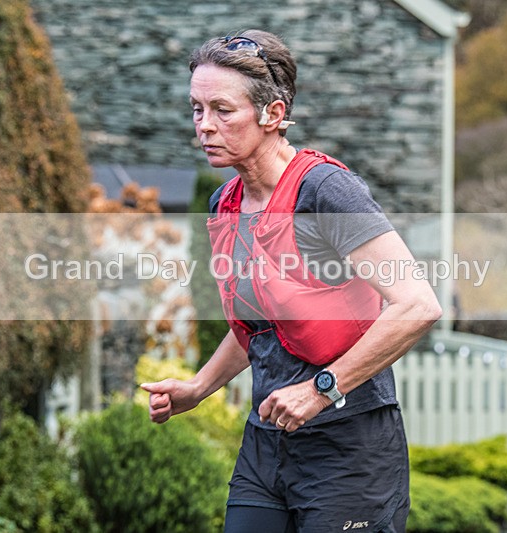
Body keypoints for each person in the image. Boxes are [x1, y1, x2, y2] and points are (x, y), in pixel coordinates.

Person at [141, 30, 441, 533]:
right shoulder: (225, 204)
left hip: (349, 449)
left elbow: (417, 305)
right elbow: (258, 327)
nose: (204, 125)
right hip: (266, 445)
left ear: (273, 114)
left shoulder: (325, 192)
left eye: (222, 110)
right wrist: (198, 387)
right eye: (197, 109)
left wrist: (321, 390)